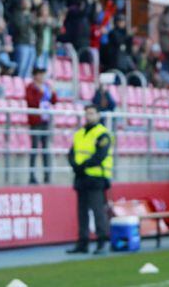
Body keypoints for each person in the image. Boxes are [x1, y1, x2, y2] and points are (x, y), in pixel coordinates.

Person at [67, 104, 112, 254]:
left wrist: (84, 165)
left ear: (98, 115)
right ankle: (83, 242)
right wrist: (76, 166)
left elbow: (100, 155)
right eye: (87, 113)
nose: (89, 116)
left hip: (96, 176)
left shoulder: (103, 134)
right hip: (81, 176)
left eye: (92, 113)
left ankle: (101, 241)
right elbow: (72, 153)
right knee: (82, 211)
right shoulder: (79, 133)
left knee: (98, 210)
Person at [25, 67, 57, 184]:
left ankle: (47, 175)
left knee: (46, 149)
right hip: (35, 122)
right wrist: (40, 93)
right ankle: (32, 176)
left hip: (45, 121)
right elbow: (31, 102)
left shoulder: (46, 86)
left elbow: (53, 101)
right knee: (34, 149)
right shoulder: (30, 87)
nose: (42, 77)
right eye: (40, 74)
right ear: (35, 75)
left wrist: (53, 92)